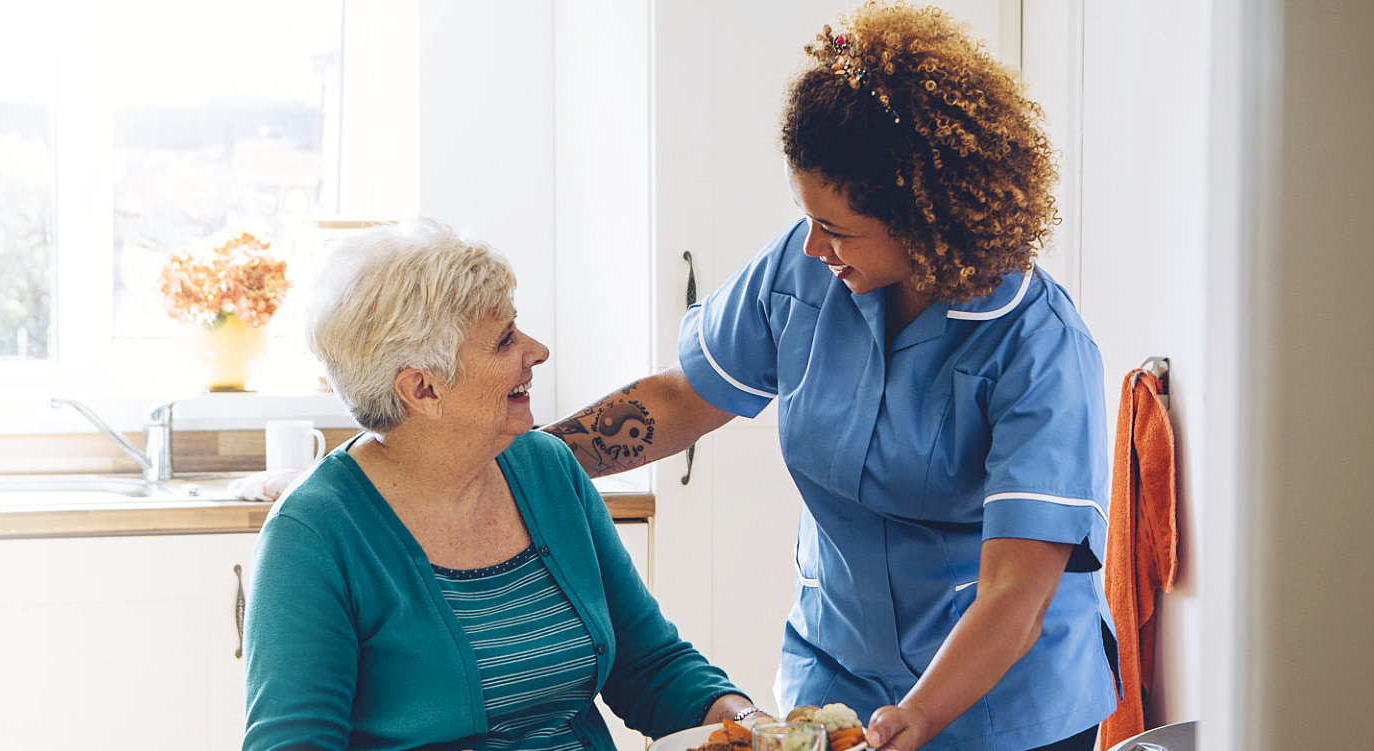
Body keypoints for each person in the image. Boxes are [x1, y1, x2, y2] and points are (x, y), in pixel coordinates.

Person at [544, 4, 1115, 751]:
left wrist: (922, 714)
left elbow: (1016, 588)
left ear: (927, 220)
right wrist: (525, 459)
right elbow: (685, 398)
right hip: (835, 680)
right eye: (806, 216)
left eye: (838, 229)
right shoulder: (805, 268)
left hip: (999, 706)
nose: (813, 245)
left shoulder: (1038, 348)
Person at [242, 218, 765, 751]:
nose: (536, 351)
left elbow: (650, 666)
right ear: (423, 388)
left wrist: (749, 723)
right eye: (504, 340)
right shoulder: (314, 535)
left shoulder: (548, 469)